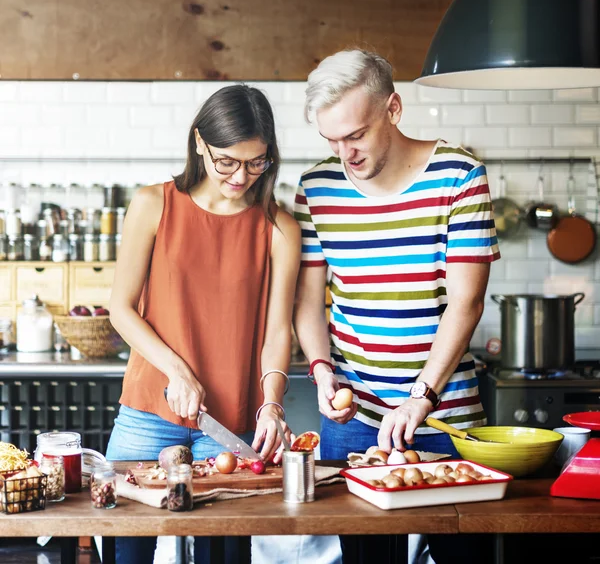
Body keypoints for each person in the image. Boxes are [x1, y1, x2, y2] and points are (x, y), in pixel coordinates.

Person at [293, 49, 499, 564]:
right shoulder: (317, 188)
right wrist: (322, 373)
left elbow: (466, 303)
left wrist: (421, 397)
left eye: (356, 135)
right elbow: (307, 304)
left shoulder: (459, 175)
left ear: (394, 109)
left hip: (447, 419)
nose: (346, 154)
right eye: (332, 140)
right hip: (354, 418)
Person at [106, 84, 301, 564]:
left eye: (257, 163)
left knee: (227, 557)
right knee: (124, 551)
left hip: (230, 422)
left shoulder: (280, 228)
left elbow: (279, 333)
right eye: (228, 161)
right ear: (199, 143)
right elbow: (121, 308)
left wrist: (272, 405)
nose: (241, 176)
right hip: (149, 414)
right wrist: (177, 371)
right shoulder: (154, 204)